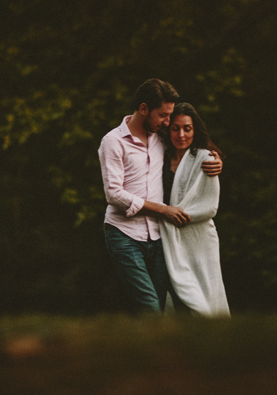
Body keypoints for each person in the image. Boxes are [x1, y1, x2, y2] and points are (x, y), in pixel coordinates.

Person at [98, 79, 222, 314]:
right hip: (124, 235)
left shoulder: (159, 138)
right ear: (144, 109)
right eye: (163, 115)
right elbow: (113, 194)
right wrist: (163, 209)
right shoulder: (112, 142)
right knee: (151, 307)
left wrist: (215, 159)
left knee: (160, 308)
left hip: (158, 237)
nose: (168, 122)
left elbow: (190, 143)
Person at [159, 102, 230, 317]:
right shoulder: (159, 159)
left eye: (187, 128)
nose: (181, 134)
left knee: (207, 295)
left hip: (199, 239)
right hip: (166, 237)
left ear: (194, 130)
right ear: (168, 129)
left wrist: (175, 215)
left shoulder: (205, 159)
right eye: (175, 128)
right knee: (178, 297)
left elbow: (209, 205)